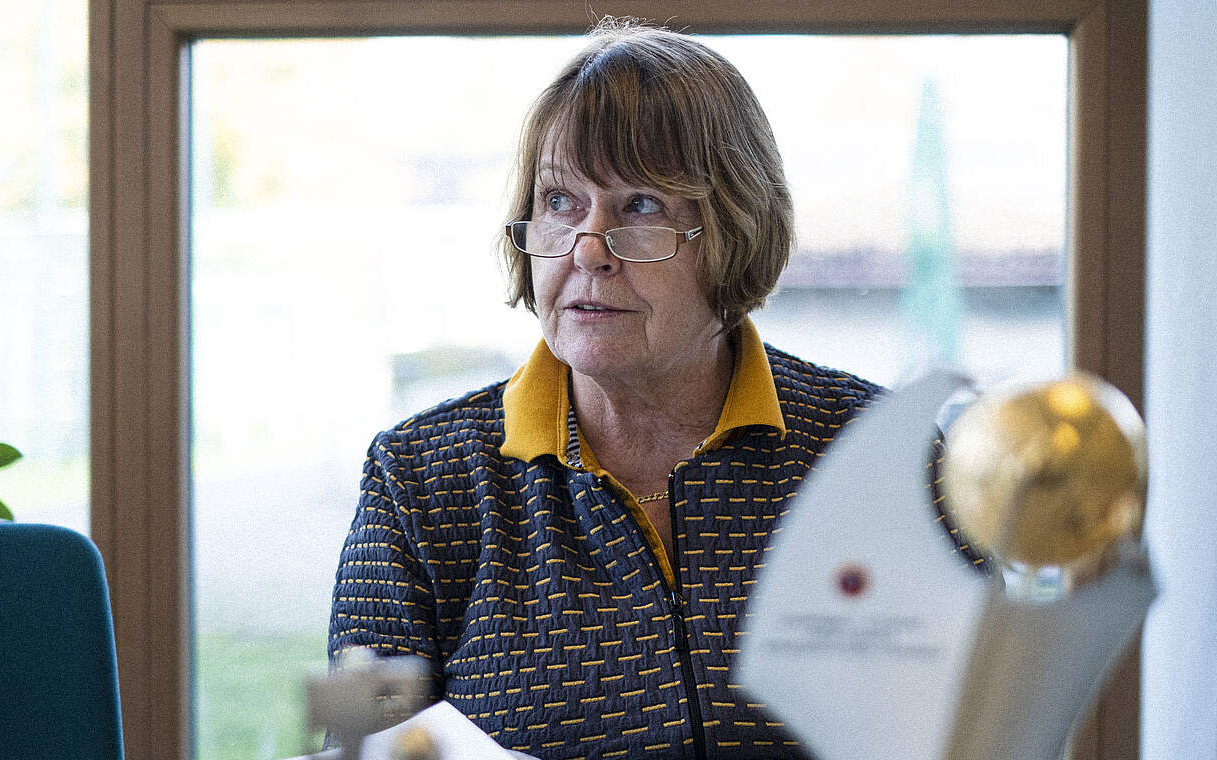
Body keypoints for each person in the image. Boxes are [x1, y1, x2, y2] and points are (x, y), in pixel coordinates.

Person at [330, 18, 976, 760]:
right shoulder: (419, 479)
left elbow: (983, 724)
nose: (588, 250)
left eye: (641, 205)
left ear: (735, 228)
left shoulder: (882, 456)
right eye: (560, 201)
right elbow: (360, 744)